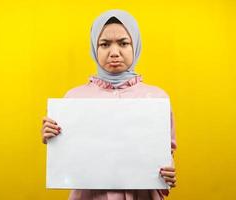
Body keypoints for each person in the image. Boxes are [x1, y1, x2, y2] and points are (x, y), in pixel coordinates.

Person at [41, 9, 177, 200]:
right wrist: (53, 139)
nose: (114, 53)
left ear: (135, 46)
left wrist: (168, 171)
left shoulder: (156, 98)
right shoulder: (73, 99)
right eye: (104, 44)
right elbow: (68, 160)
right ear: (94, 48)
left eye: (123, 43)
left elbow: (166, 151)